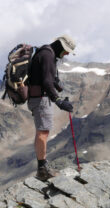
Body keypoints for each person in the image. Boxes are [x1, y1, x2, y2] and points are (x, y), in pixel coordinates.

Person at [28, 35, 76, 181]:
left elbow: (47, 79)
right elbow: (47, 82)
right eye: (66, 51)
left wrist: (57, 88)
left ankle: (42, 167)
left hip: (37, 98)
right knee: (43, 133)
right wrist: (59, 101)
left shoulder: (45, 52)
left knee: (42, 132)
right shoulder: (48, 55)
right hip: (41, 100)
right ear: (60, 46)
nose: (66, 54)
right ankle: (42, 170)